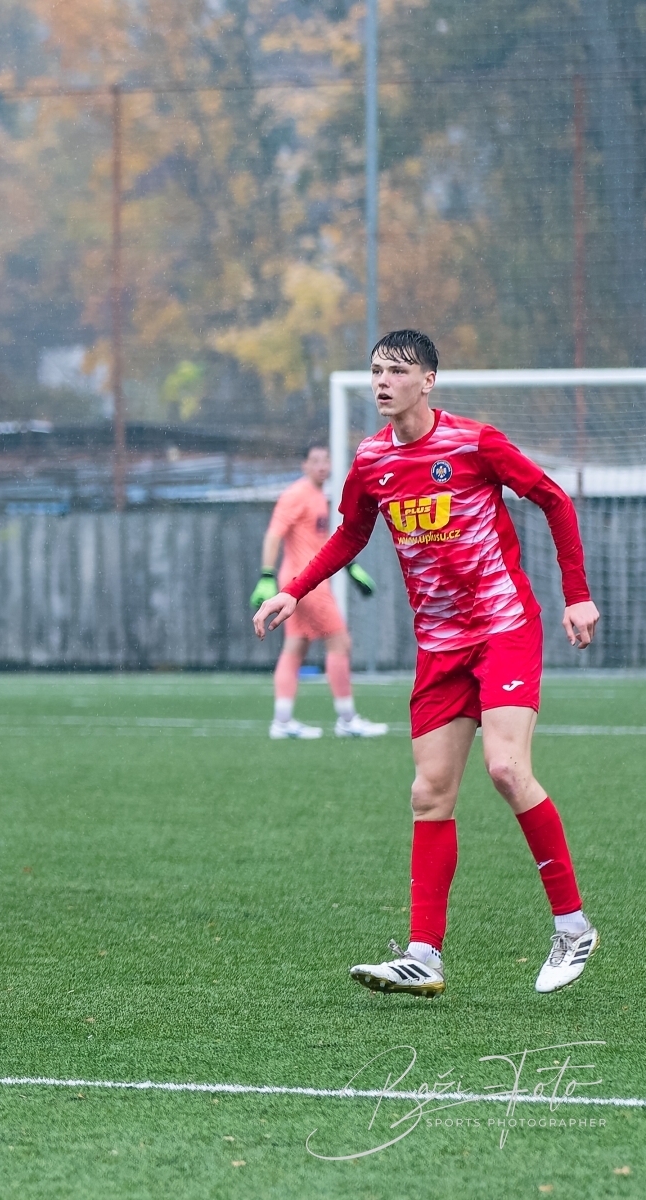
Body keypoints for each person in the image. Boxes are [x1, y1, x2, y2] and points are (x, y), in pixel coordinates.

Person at [254, 330, 601, 996]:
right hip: (440, 646)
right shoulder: (371, 460)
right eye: (376, 370)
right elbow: (352, 532)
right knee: (429, 794)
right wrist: (295, 589)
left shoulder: (474, 443)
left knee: (505, 769)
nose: (382, 381)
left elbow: (554, 499)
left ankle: (572, 925)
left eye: (397, 370)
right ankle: (423, 954)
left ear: (429, 380)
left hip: (503, 628)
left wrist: (577, 594)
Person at [250, 445, 387, 739]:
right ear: (304, 465)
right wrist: (266, 576)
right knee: (339, 641)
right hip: (305, 584)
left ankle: (282, 721)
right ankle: (347, 719)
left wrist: (351, 568)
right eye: (315, 461)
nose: (322, 465)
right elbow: (273, 535)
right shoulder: (297, 494)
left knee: (296, 646)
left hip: (303, 582)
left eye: (326, 460)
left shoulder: (318, 496)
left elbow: (320, 543)